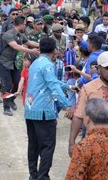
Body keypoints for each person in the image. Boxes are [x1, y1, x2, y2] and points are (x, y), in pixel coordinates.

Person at [24, 38, 70, 180]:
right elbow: (53, 86)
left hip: (30, 110)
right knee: (47, 146)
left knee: (33, 144)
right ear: (54, 50)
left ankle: (33, 175)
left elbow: (51, 81)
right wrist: (68, 104)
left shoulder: (35, 63)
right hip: (44, 111)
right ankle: (43, 176)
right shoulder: (49, 65)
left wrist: (68, 86)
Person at [0, 16, 39, 116]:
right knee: (7, 84)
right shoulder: (8, 34)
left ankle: (11, 99)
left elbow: (29, 42)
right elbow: (15, 46)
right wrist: (31, 51)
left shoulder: (20, 35)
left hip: (12, 63)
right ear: (20, 24)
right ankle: (6, 108)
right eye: (24, 24)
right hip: (3, 62)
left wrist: (42, 44)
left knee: (17, 83)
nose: (25, 26)